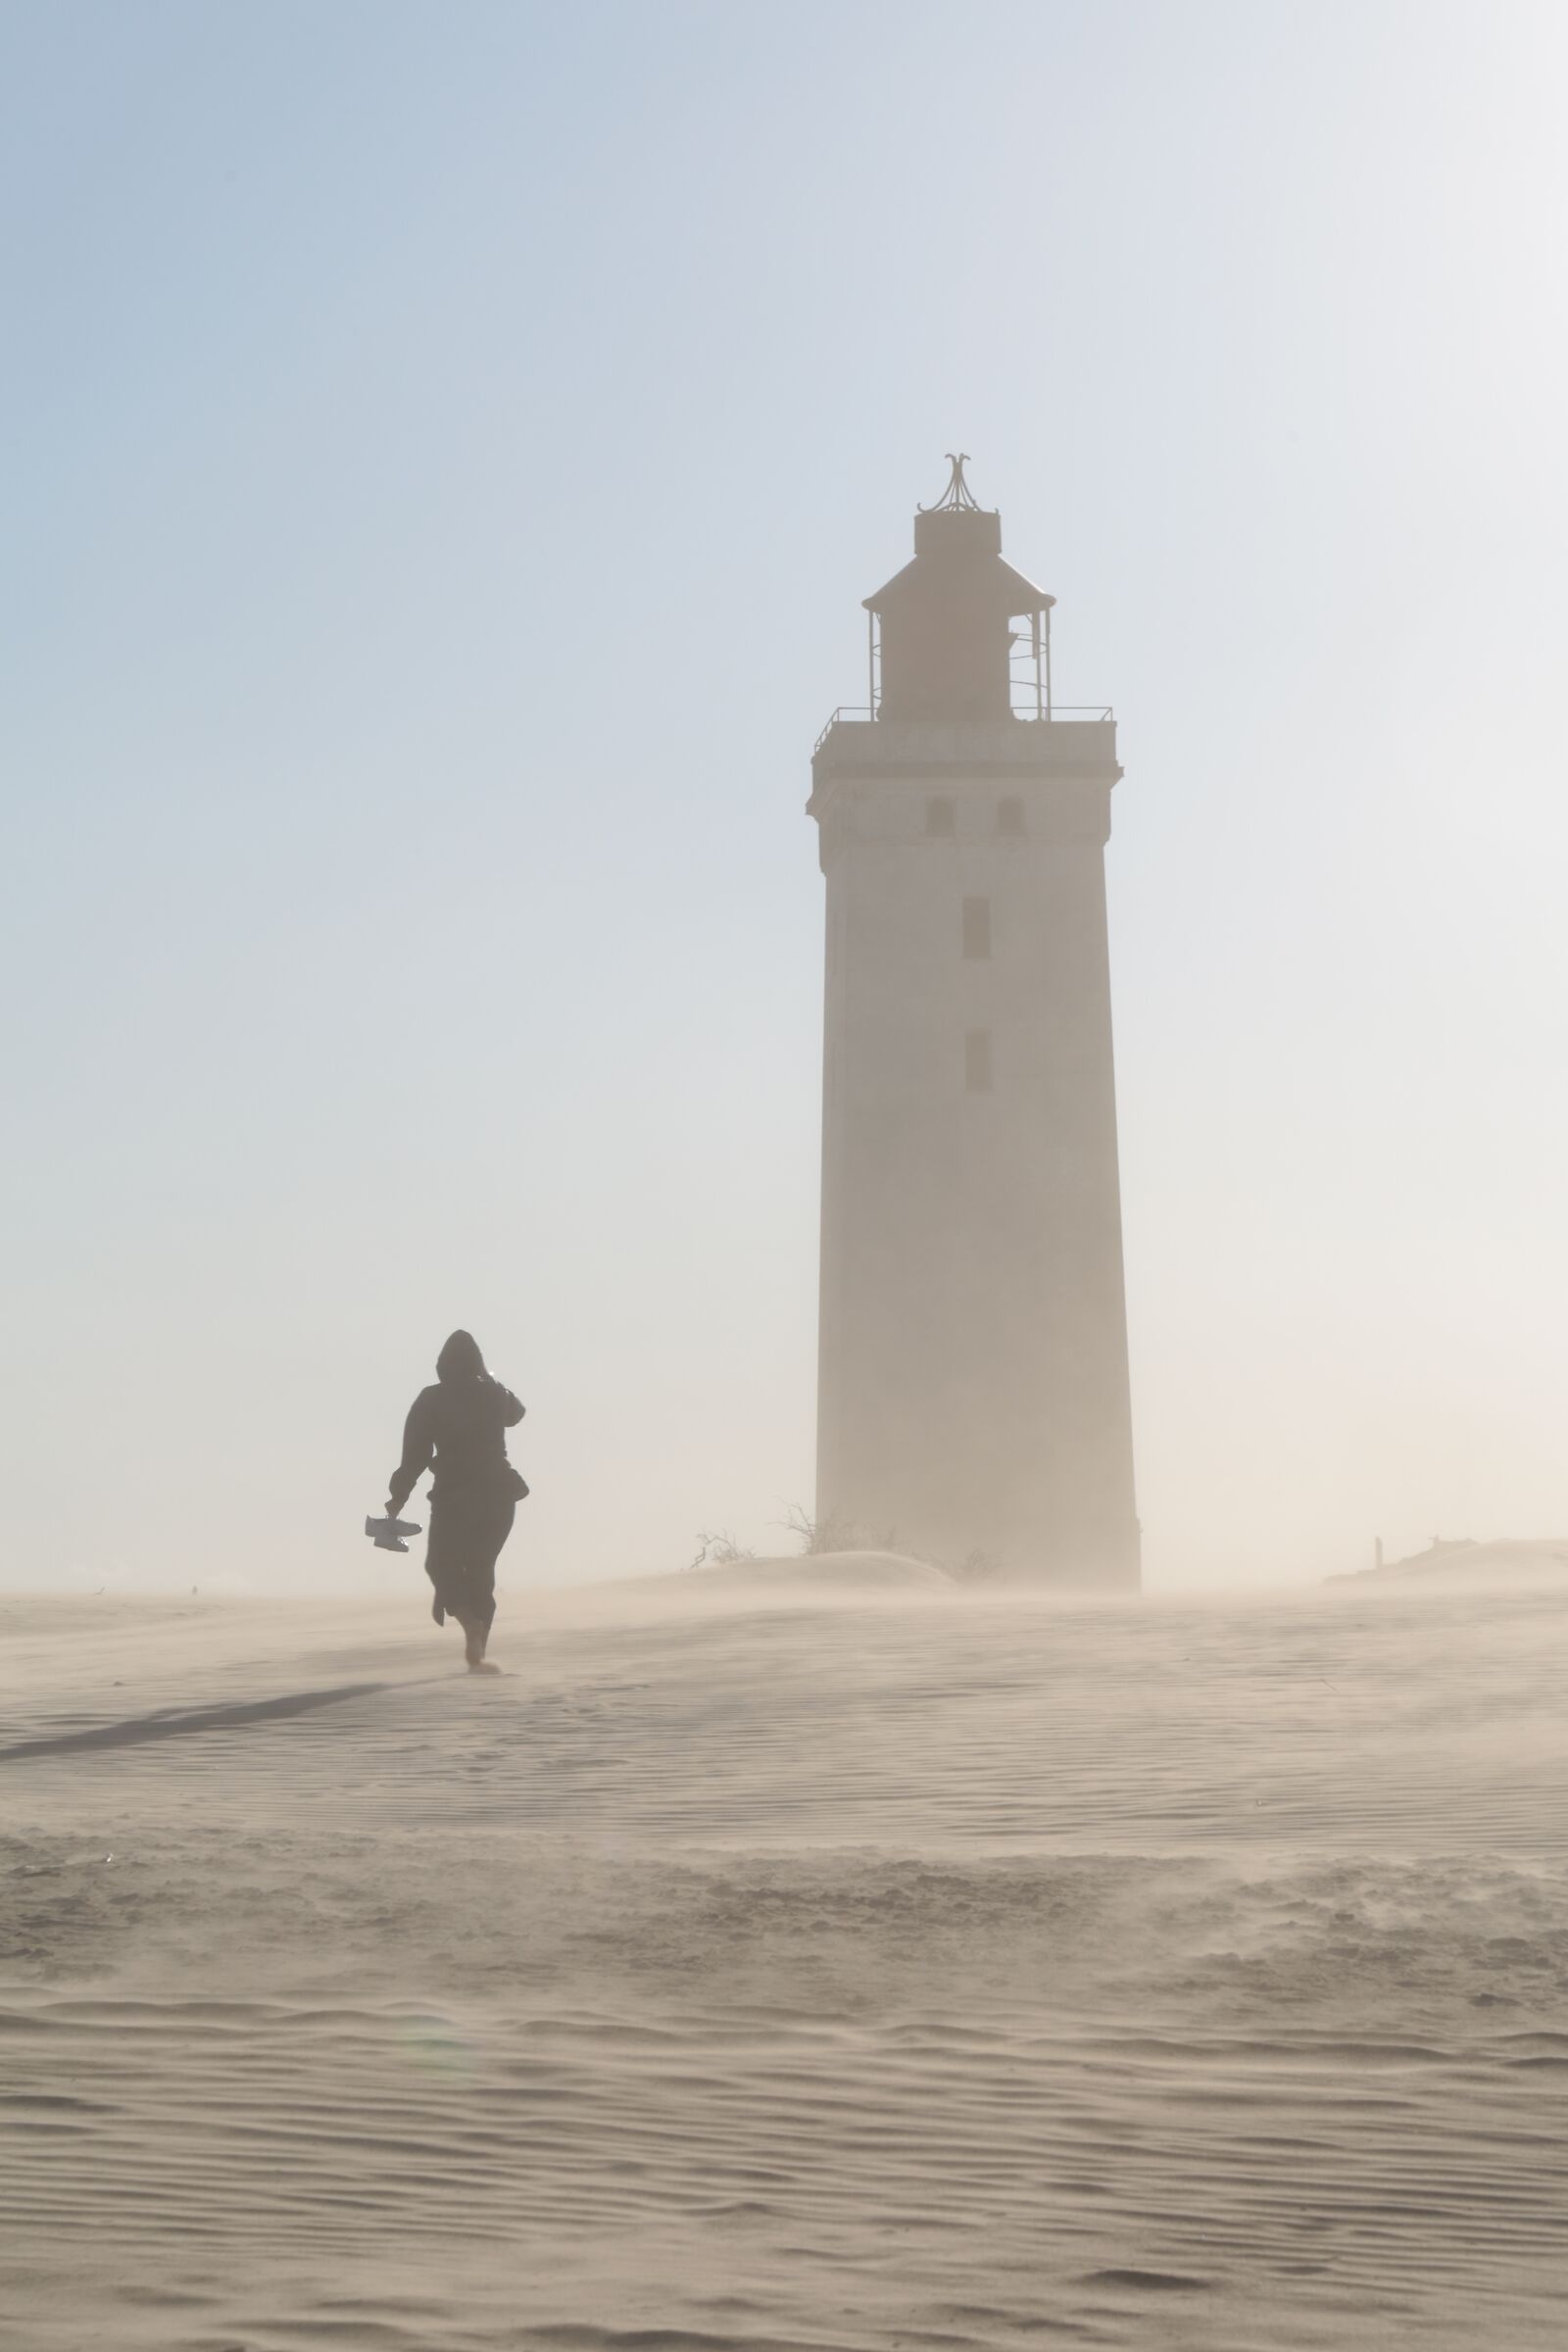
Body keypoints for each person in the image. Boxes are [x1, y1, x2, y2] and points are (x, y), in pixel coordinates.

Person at [385, 1331, 527, 1671]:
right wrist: (489, 1380)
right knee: (481, 1569)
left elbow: (414, 1456)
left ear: (441, 1365)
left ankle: (470, 1625)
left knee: (441, 1566)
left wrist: (398, 1497)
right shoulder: (494, 1393)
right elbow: (517, 1413)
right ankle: (478, 1651)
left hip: (454, 1497)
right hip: (498, 1494)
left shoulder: (431, 1399)